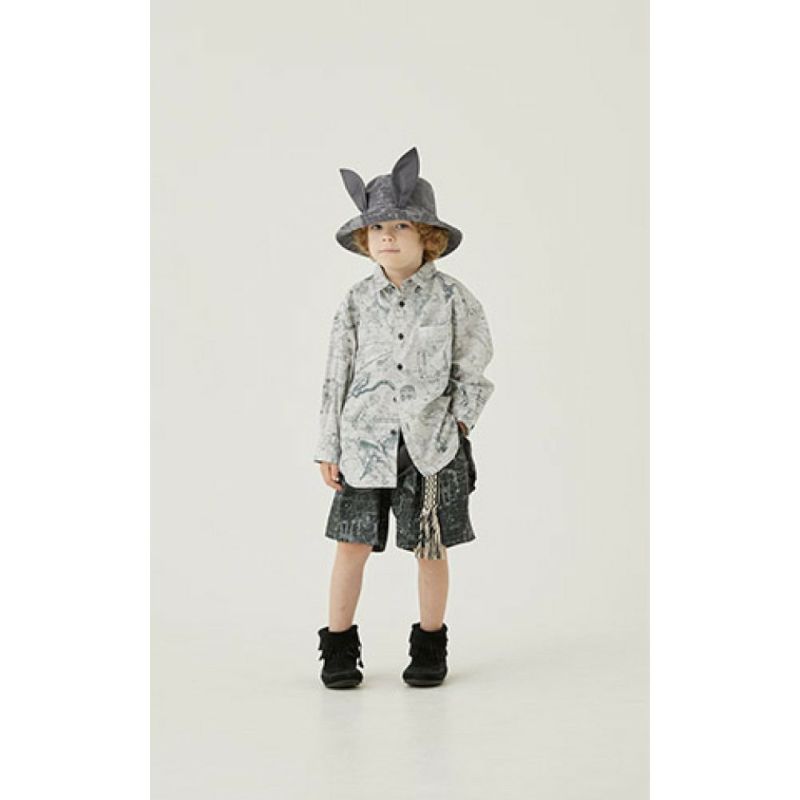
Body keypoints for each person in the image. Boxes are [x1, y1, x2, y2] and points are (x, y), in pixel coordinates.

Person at [313, 146, 495, 689]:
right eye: (377, 228)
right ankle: (338, 648)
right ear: (365, 240)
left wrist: (458, 424)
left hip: (431, 445)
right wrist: (328, 445)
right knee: (351, 546)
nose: (387, 237)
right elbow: (335, 373)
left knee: (429, 547)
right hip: (363, 442)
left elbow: (474, 366)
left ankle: (430, 645)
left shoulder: (453, 299)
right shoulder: (355, 302)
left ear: (427, 236)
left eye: (399, 225)